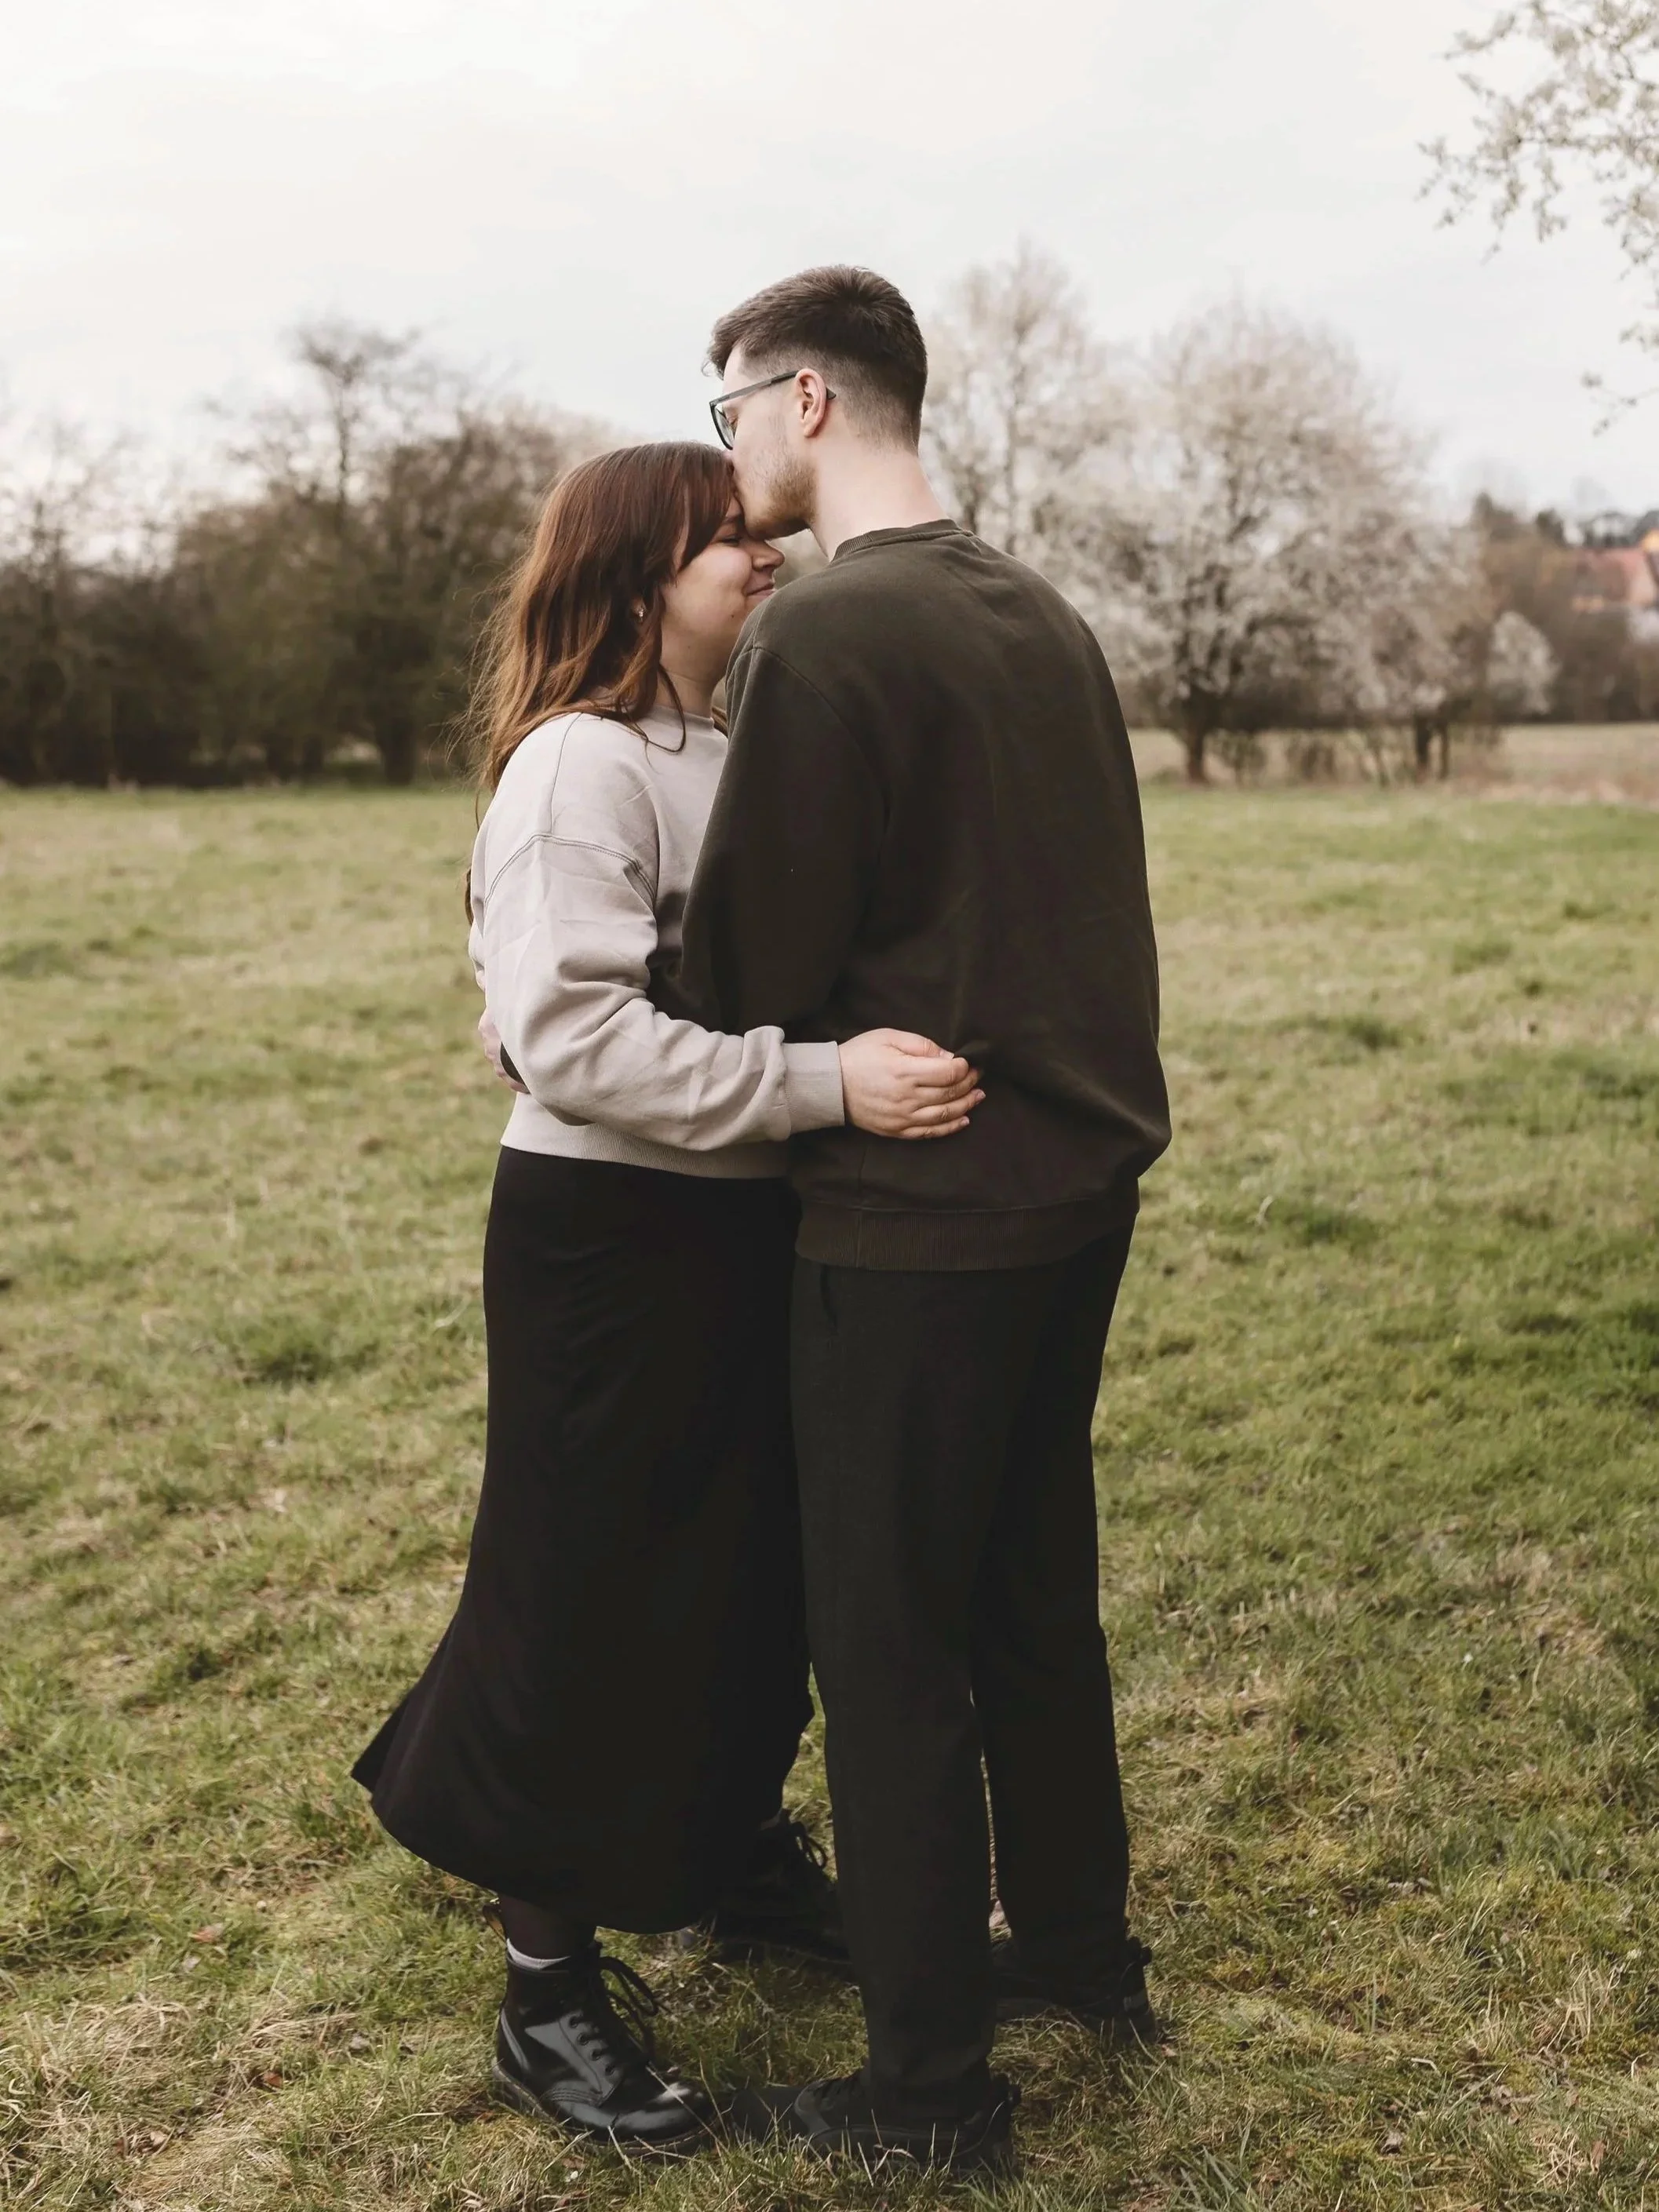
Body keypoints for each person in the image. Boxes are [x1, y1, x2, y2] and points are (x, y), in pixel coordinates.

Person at [352, 441, 982, 2152]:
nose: (760, 558)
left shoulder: (717, 746)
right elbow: (570, 1040)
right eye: (725, 541)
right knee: (593, 1588)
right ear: (635, 576)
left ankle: (721, 1850)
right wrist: (824, 1083)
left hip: (735, 1230)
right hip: (608, 1238)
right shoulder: (578, 765)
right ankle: (545, 1984)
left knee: (748, 1564)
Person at [664, 269, 1172, 2174]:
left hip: (915, 1213)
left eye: (727, 412)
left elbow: (748, 977)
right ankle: (1077, 1952)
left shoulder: (834, 632)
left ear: (800, 397)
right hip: (1076, 1181)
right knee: (1035, 1590)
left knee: (886, 1642)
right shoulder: (1030, 607)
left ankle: (930, 2094)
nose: (727, 449)